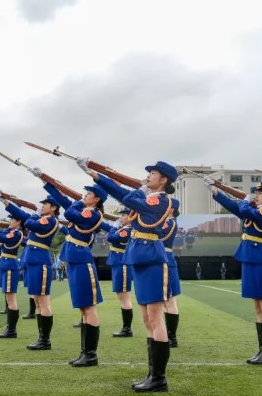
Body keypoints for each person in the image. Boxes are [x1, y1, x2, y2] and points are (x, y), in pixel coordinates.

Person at [78, 158, 176, 393]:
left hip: (152, 259)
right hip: (140, 258)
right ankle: (152, 374)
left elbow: (127, 197)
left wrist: (103, 178)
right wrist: (95, 174)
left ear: (163, 179)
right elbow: (124, 194)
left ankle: (159, 378)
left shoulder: (161, 199)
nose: (148, 176)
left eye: (153, 173)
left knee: (155, 318)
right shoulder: (149, 197)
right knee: (147, 319)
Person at [206, 178, 262, 365]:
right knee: (257, 307)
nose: (257, 195)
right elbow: (234, 207)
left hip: (260, 260)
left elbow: (245, 209)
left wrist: (245, 200)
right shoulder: (254, 211)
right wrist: (215, 191)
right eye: (257, 193)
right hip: (250, 258)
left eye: (260, 193)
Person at [42, 178, 107, 367]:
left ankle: (91, 355)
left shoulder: (92, 213)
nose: (84, 195)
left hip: (82, 261)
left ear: (96, 199)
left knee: (89, 307)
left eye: (88, 194)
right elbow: (63, 201)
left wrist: (78, 201)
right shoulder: (84, 210)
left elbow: (69, 212)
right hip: (75, 259)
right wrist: (47, 183)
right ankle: (85, 352)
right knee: (83, 308)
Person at [0, 193, 61, 350]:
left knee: (43, 301)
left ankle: (45, 340)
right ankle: (41, 338)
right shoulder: (42, 219)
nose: (42, 206)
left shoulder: (50, 220)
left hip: (40, 262)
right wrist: (6, 202)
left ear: (53, 208)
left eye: (45, 204)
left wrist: (36, 213)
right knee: (37, 301)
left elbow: (30, 222)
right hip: (33, 261)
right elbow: (23, 215)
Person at [106, 209, 134, 338]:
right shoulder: (123, 228)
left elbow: (110, 237)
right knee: (122, 297)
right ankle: (126, 328)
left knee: (124, 298)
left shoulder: (128, 230)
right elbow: (108, 229)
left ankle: (127, 329)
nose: (121, 217)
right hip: (119, 263)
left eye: (123, 215)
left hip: (122, 264)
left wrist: (114, 225)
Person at [160, 200, 182, 348]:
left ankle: (172, 338)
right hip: (162, 260)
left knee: (170, 301)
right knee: (164, 301)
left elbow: (159, 235)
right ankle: (167, 335)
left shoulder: (169, 222)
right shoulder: (165, 221)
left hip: (166, 261)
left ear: (172, 209)